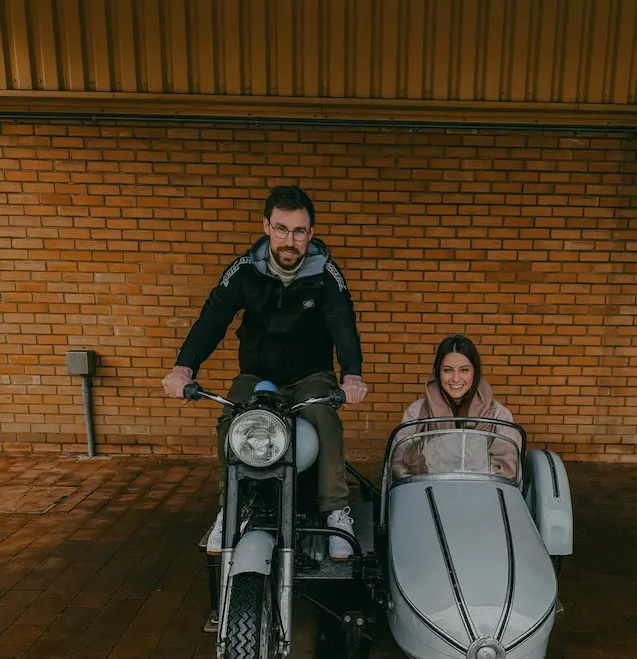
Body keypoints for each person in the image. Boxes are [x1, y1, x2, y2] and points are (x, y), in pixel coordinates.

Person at [162, 185, 368, 558]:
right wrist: (183, 368)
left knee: (324, 415)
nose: (291, 240)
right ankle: (233, 505)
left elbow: (343, 322)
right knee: (232, 416)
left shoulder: (326, 273)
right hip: (257, 376)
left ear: (311, 233)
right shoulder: (244, 271)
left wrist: (351, 375)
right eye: (282, 229)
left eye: (300, 231)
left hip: (311, 376)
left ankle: (336, 510)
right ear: (267, 227)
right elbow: (213, 318)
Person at [392, 335, 521, 480]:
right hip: (429, 494)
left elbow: (507, 470)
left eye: (464, 370)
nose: (455, 379)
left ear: (475, 372)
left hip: (483, 495)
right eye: (447, 370)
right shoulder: (416, 413)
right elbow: (399, 466)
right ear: (437, 371)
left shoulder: (499, 415)